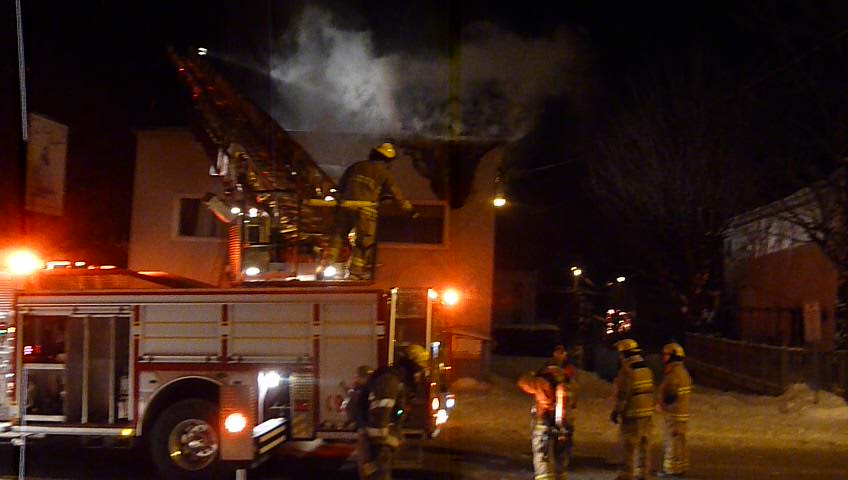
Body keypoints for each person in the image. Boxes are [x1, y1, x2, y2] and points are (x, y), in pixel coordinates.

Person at [320, 141, 416, 280]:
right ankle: (354, 273)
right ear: (388, 160)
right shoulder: (384, 173)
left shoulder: (356, 166)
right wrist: (410, 211)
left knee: (338, 237)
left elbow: (341, 186)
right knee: (363, 243)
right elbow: (397, 195)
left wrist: (337, 203)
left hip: (345, 206)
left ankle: (327, 266)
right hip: (365, 210)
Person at [355, 344, 429, 480]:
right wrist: (380, 456)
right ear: (411, 365)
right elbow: (379, 419)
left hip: (382, 448)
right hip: (378, 448)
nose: (420, 375)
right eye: (419, 369)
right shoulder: (390, 382)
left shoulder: (398, 381)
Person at [517, 345, 578, 480]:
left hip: (544, 422)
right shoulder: (570, 383)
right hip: (565, 425)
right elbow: (573, 403)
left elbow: (522, 382)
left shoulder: (543, 382)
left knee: (542, 458)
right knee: (560, 460)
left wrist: (532, 374)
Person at [610, 338, 655, 480]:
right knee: (644, 444)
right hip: (647, 412)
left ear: (624, 354)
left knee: (628, 446)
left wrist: (616, 411)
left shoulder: (627, 370)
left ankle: (626, 474)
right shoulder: (646, 369)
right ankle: (643, 473)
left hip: (632, 413)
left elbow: (623, 395)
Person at [657, 342, 692, 478]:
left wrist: (662, 403)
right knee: (680, 441)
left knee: (671, 441)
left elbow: (670, 393)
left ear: (672, 356)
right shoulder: (683, 372)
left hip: (673, 413)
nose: (663, 358)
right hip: (682, 412)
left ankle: (671, 469)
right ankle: (680, 466)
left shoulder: (673, 373)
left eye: (666, 355)